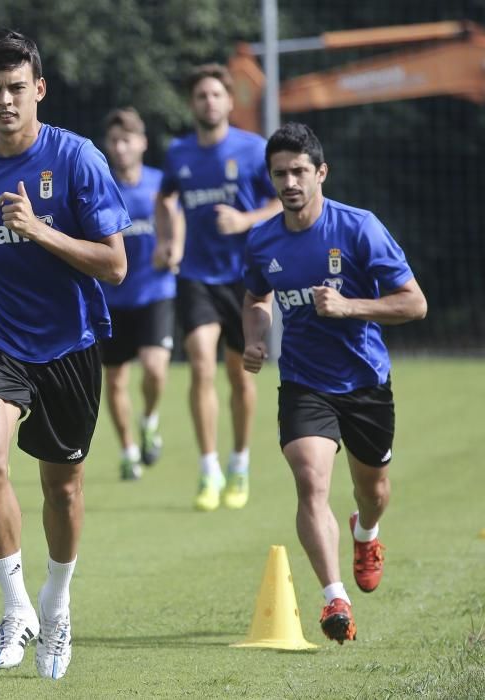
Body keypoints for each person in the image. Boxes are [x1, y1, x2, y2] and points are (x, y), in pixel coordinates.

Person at [0, 29, 129, 679]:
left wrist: (39, 230)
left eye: (17, 88)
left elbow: (116, 265)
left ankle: (56, 606)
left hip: (68, 341)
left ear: (38, 89)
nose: (5, 101)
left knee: (61, 488)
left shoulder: (77, 160)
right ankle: (15, 607)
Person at [242, 122, 426, 644]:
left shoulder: (359, 228)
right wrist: (255, 339)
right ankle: (333, 598)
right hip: (303, 382)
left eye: (300, 171)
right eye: (280, 173)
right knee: (310, 480)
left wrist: (350, 306)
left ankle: (366, 532)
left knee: (373, 491)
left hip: (365, 382)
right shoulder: (262, 241)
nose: (290, 182)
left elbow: (414, 303)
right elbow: (255, 300)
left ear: (321, 172)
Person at [155, 63, 282, 511]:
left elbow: (279, 200)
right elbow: (165, 197)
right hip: (196, 277)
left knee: (240, 376)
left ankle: (239, 463)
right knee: (201, 365)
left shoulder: (253, 150)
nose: (209, 102)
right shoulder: (179, 153)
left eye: (215, 95)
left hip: (246, 280)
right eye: (201, 96)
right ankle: (208, 469)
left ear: (229, 102)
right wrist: (168, 242)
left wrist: (245, 220)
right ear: (192, 105)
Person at [99, 107, 180, 481]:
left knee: (153, 367)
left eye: (127, 139)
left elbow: (176, 221)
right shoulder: (100, 186)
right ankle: (129, 451)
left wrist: (173, 249)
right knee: (114, 381)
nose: (120, 147)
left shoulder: (160, 183)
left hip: (155, 291)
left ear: (143, 143)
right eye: (114, 140)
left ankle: (149, 418)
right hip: (111, 297)